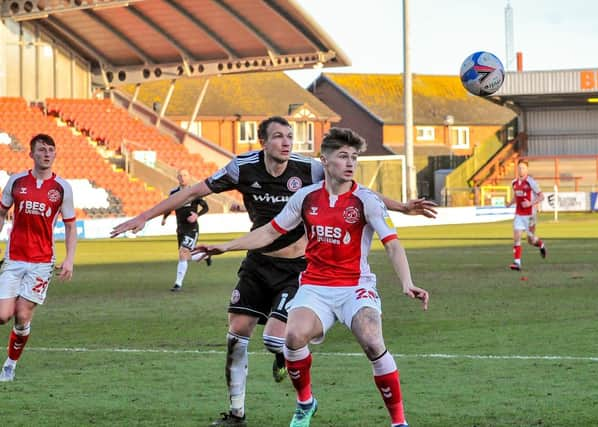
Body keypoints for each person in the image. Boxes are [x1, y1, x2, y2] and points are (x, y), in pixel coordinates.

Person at [110, 117, 436, 427]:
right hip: (268, 264)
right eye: (279, 136)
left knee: (295, 339)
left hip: (308, 270)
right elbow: (199, 195)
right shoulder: (249, 170)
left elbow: (362, 195)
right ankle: (243, 411)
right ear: (262, 141)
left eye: (290, 136)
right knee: (241, 332)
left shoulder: (311, 170)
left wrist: (403, 209)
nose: (286, 142)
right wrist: (147, 217)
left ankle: (391, 417)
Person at [194, 127, 430, 427]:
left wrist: (407, 283)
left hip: (355, 287)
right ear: (325, 160)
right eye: (343, 156)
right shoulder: (305, 197)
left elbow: (393, 244)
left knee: (372, 340)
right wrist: (226, 246)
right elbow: (268, 232)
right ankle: (306, 403)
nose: (350, 163)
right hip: (315, 286)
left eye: (354, 157)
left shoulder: (368, 201)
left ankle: (399, 422)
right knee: (292, 337)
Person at [0, 133, 77, 382]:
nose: (46, 154)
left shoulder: (62, 188)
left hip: (42, 262)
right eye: (41, 149)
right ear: (31, 153)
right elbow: (1, 212)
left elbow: (70, 226)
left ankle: (10, 365)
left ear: (55, 154)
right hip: (14, 258)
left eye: (51, 150)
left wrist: (69, 259)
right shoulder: (16, 181)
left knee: (22, 314)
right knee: (2, 315)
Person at [161, 169, 210, 292]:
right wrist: (164, 218)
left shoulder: (195, 192)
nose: (182, 178)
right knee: (185, 255)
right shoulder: (174, 193)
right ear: (177, 178)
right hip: (181, 228)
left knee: (183, 253)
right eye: (180, 175)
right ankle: (204, 255)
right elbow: (169, 207)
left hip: (192, 228)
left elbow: (206, 207)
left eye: (185, 175)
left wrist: (197, 215)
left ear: (189, 177)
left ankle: (178, 284)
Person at [509, 159, 546, 271]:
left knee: (530, 240)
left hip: (530, 215)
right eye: (519, 167)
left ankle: (541, 244)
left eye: (523, 168)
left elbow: (541, 197)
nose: (521, 170)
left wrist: (530, 203)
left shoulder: (531, 182)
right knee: (517, 237)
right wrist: (509, 203)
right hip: (519, 214)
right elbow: (516, 196)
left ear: (527, 169)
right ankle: (517, 263)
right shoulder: (514, 182)